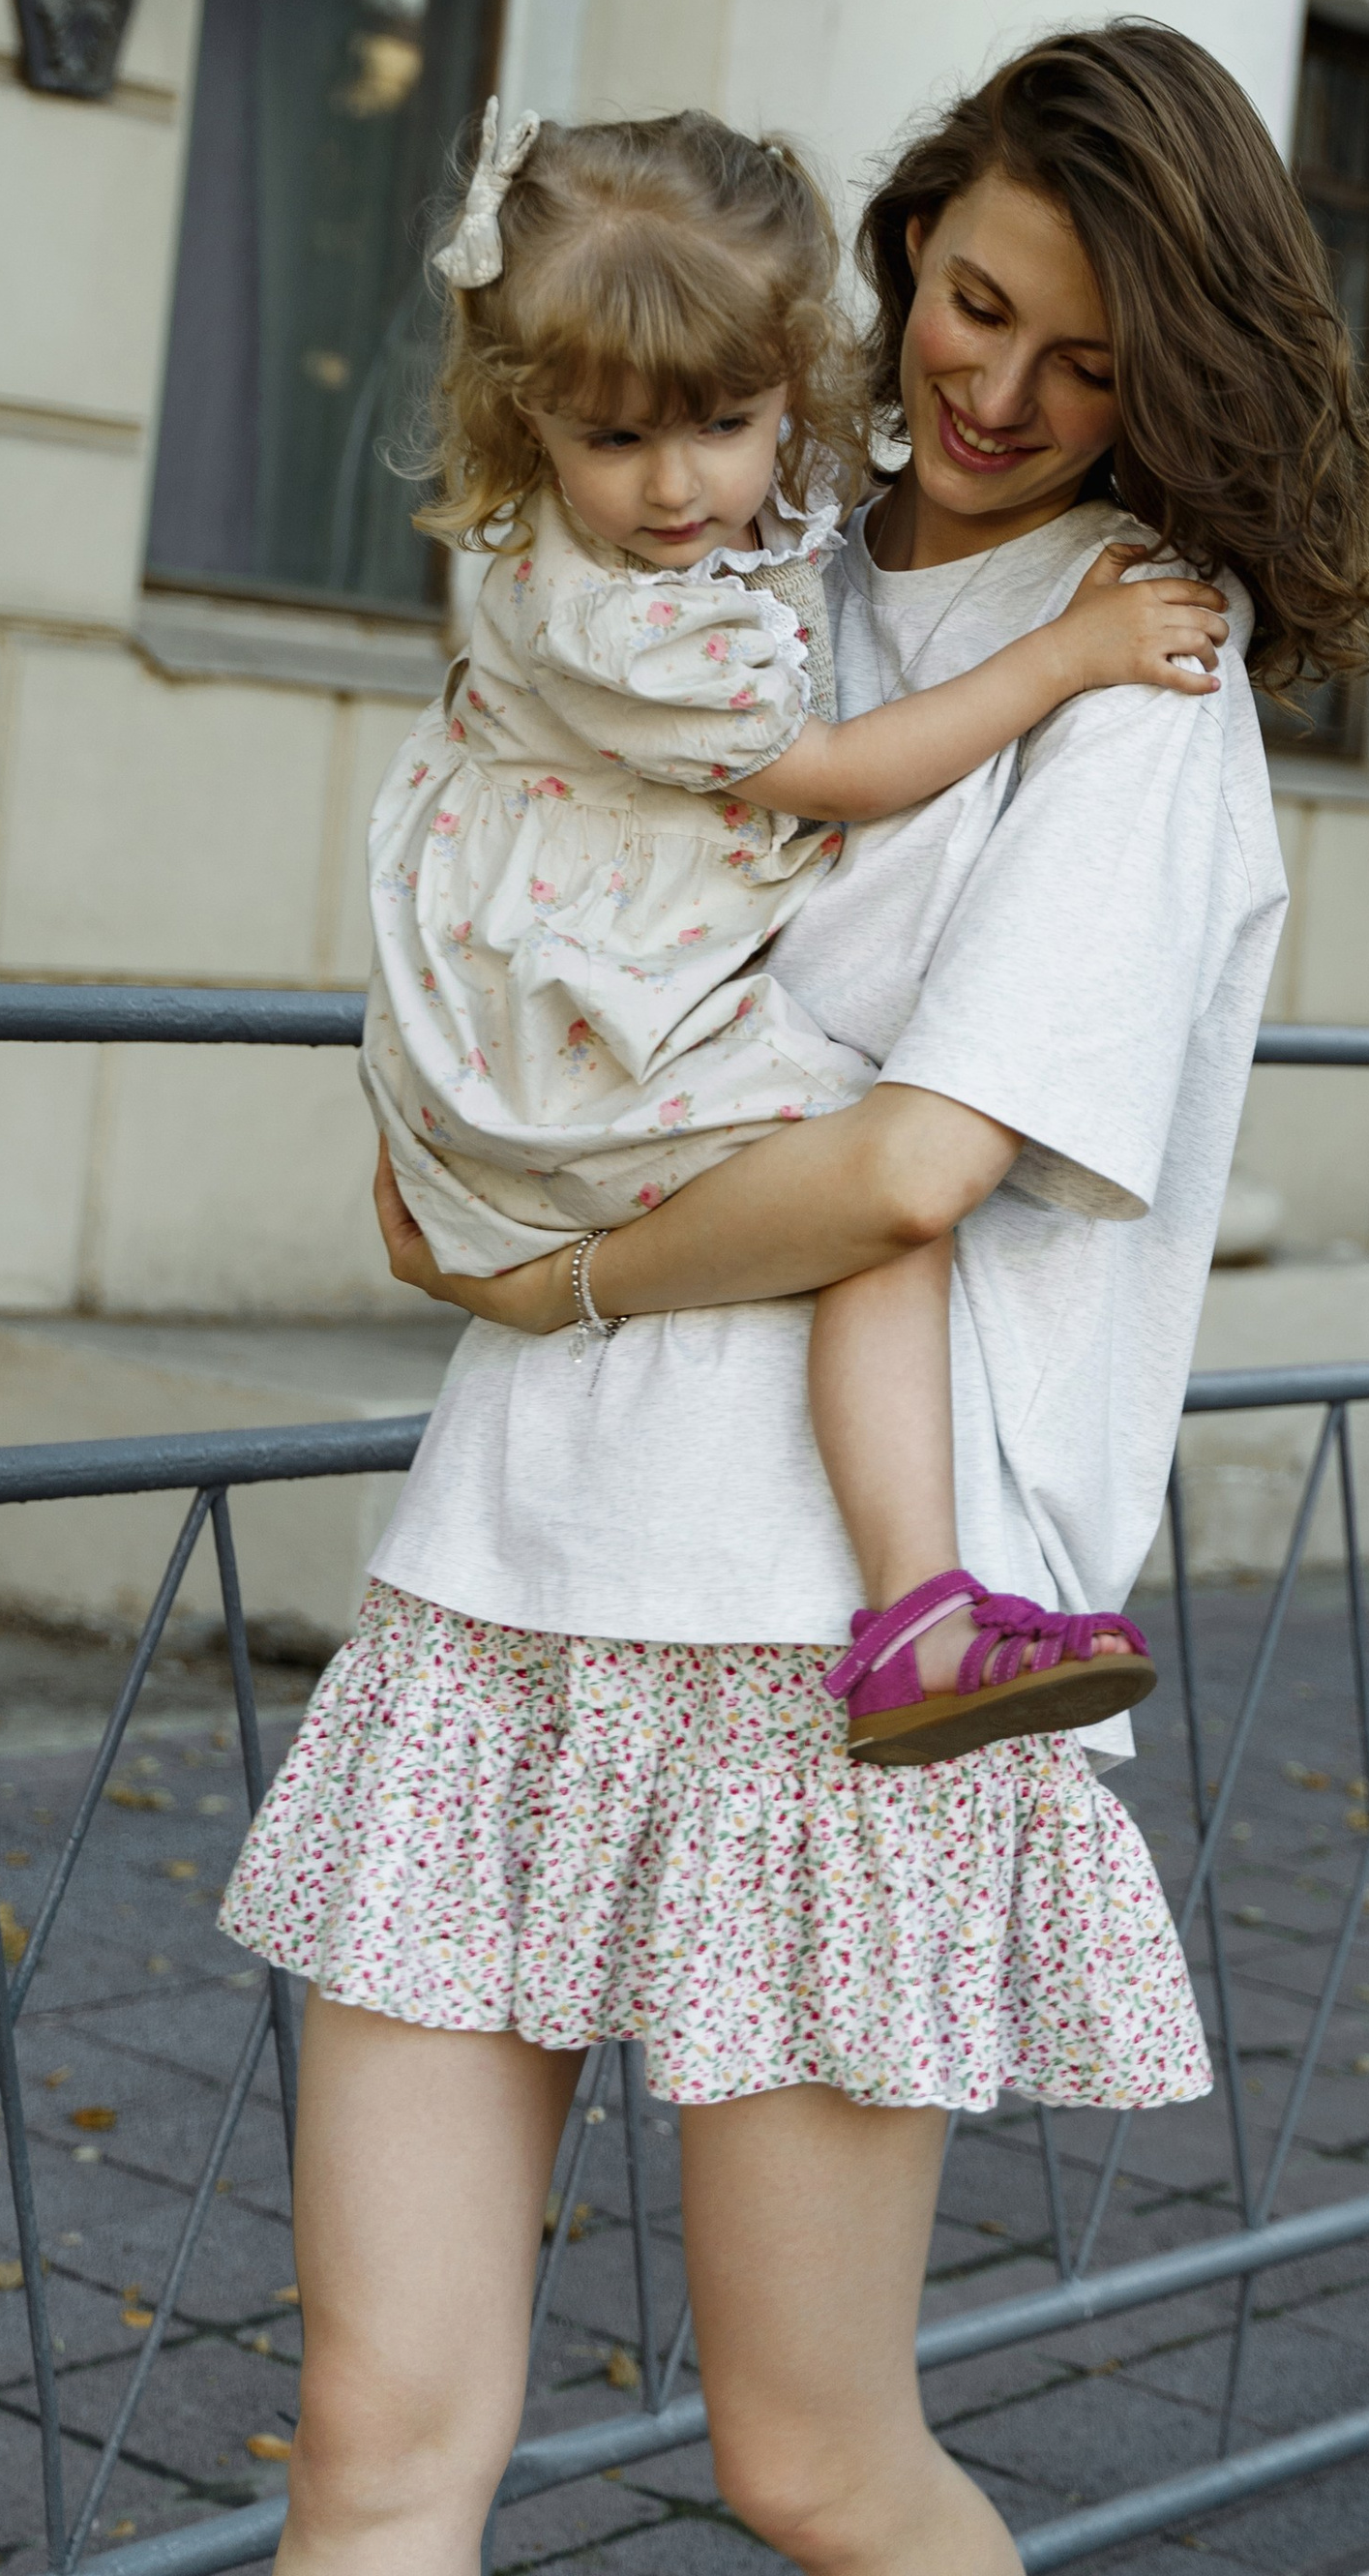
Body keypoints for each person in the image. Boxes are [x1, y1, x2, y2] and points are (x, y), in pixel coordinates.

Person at [221, 22, 1369, 2575]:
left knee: (806, 2458)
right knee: (370, 2438)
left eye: (1092, 359)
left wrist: (544, 1270)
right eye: (978, 302)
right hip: (510, 1586)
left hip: (836, 1648)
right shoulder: (715, 541)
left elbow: (912, 1162)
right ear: (902, 257)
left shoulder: (1140, 681)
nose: (999, 387)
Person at [359, 99, 1228, 1756]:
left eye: (729, 424)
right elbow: (839, 776)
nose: (682, 488)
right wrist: (1061, 658)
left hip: (557, 1119)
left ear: (791, 382)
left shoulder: (691, 535)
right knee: (872, 1197)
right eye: (976, 313)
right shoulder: (641, 620)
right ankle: (919, 1605)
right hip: (583, 1083)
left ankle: (924, 1603)